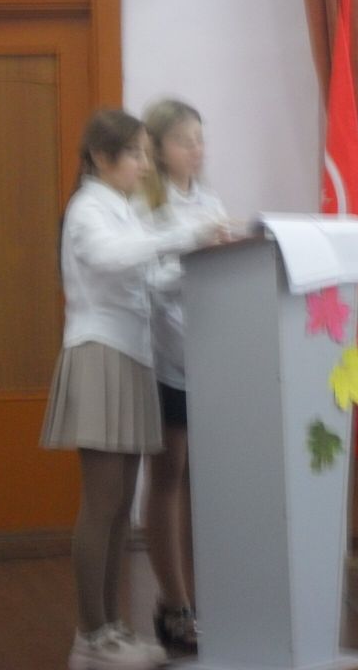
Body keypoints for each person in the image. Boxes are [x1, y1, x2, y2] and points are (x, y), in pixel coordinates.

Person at [40, 109, 222, 669]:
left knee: (120, 506)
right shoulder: (88, 207)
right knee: (101, 504)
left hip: (130, 357)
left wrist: (203, 259)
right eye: (136, 154)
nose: (145, 165)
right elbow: (111, 258)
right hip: (100, 354)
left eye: (147, 152)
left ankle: (112, 628)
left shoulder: (120, 207)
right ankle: (89, 636)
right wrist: (186, 234)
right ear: (101, 158)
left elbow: (149, 279)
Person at [136, 99, 229, 656]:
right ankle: (173, 603)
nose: (196, 149)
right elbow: (150, 281)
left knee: (203, 480)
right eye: (183, 140)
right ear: (157, 148)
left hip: (211, 354)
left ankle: (203, 597)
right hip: (166, 353)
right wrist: (195, 252)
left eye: (200, 138)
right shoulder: (148, 204)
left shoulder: (210, 201)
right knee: (169, 473)